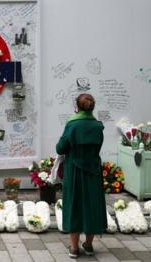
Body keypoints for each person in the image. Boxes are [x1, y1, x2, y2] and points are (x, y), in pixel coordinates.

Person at [55, 93, 106, 258]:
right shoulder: (98, 126)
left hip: (75, 171)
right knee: (92, 205)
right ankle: (89, 245)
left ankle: (74, 248)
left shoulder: (73, 125)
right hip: (93, 171)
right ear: (93, 107)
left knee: (74, 205)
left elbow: (60, 148)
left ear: (77, 107)